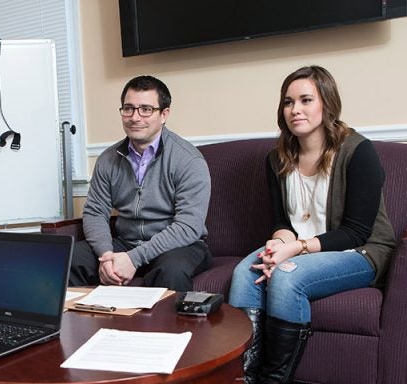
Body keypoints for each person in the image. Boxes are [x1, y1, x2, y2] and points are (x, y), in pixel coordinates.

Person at [229, 65, 396, 383]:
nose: (295, 110)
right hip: (299, 246)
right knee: (244, 273)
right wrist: (278, 243)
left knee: (288, 278)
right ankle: (243, 377)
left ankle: (273, 380)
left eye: (306, 100)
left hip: (360, 251)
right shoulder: (277, 158)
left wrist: (294, 250)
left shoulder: (358, 152)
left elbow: (357, 232)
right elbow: (281, 221)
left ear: (327, 104)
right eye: (288, 102)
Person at [69, 75, 212, 292]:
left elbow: (188, 226)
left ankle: (168, 328)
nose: (135, 117)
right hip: (125, 242)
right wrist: (106, 257)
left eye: (146, 109)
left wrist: (133, 259)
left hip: (177, 246)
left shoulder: (188, 160)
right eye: (129, 108)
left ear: (164, 114)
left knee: (171, 271)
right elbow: (96, 212)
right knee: (69, 259)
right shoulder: (108, 159)